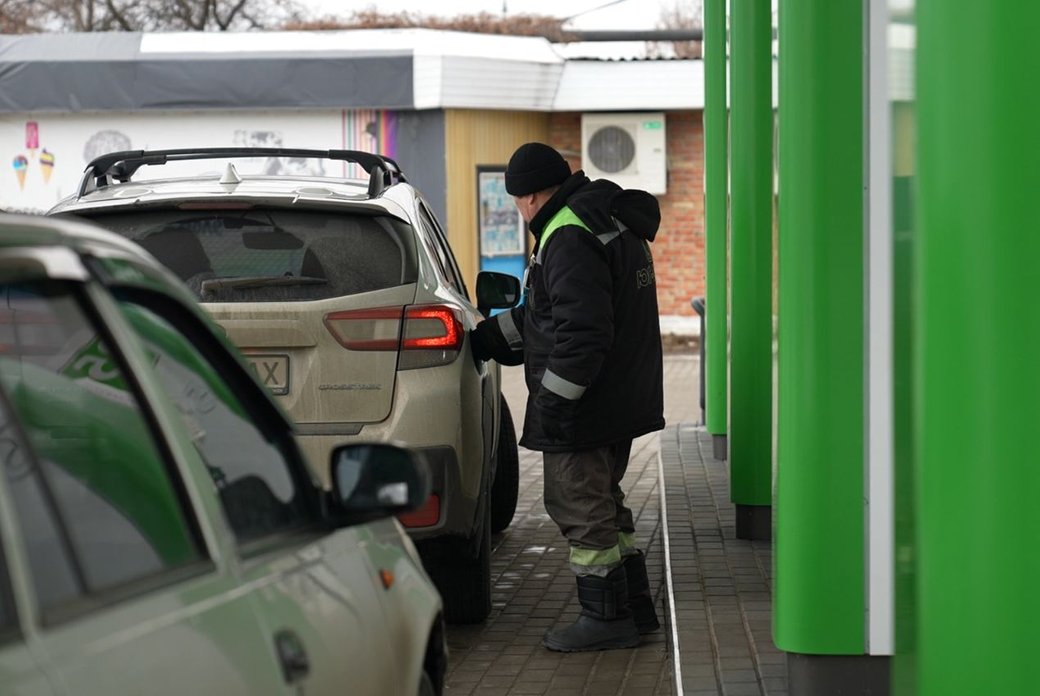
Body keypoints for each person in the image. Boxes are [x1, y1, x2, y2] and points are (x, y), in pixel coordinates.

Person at [471, 142, 665, 652]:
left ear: (530, 195)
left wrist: (555, 404)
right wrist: (489, 338)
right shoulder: (597, 217)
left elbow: (581, 335)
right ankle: (634, 609)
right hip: (618, 398)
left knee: (577, 503)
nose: (519, 209)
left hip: (589, 405)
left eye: (517, 199)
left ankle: (605, 620)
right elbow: (549, 314)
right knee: (604, 503)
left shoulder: (568, 235)